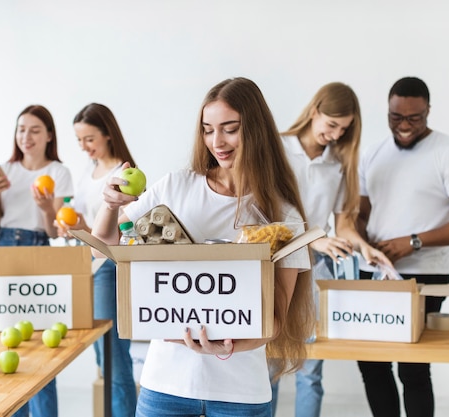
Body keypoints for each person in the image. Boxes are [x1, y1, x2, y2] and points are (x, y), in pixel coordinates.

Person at [90, 77, 314, 417]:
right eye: (207, 130)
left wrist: (227, 345)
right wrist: (109, 204)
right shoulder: (176, 187)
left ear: (256, 130)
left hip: (240, 394)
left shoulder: (283, 215)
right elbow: (103, 247)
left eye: (229, 129)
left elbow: (276, 321)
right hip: (165, 385)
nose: (217, 141)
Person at [356, 76, 449, 417]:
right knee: (371, 364)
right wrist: (361, 239)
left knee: (412, 367)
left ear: (428, 111)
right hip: (373, 271)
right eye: (395, 117)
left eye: (414, 118)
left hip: (425, 273)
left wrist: (413, 242)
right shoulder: (373, 153)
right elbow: (362, 213)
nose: (403, 126)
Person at [270, 82, 392, 417]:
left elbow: (345, 226)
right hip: (273, 266)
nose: (336, 135)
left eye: (344, 129)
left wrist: (364, 248)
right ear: (314, 112)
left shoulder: (337, 164)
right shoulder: (275, 149)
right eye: (331, 124)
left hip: (314, 270)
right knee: (268, 366)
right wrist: (312, 237)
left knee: (310, 370)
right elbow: (265, 215)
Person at [0, 104, 73, 417]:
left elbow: (54, 230)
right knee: (7, 344)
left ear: (49, 135)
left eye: (35, 130)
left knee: (42, 349)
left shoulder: (58, 173)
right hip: (3, 246)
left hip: (39, 248)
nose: (26, 136)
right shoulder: (4, 171)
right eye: (21, 129)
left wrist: (49, 208)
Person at [56, 103, 139, 417]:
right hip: (86, 267)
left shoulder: (123, 176)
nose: (83, 147)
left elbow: (112, 239)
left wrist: (82, 229)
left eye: (89, 139)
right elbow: (86, 224)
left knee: (114, 357)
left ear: (107, 134)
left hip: (108, 268)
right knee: (103, 358)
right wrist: (69, 226)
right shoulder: (89, 173)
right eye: (79, 140)